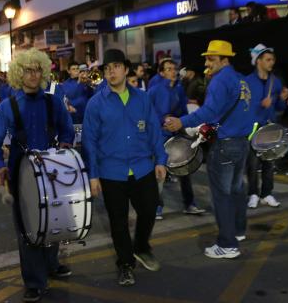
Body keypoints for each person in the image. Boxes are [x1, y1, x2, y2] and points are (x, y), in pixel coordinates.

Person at [0, 48, 74, 302]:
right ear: (18, 73)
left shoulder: (53, 102)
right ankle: (34, 281)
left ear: (44, 71)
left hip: (51, 170)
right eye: (28, 70)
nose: (34, 75)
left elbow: (67, 130)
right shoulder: (8, 106)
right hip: (21, 173)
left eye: (37, 69)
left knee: (54, 220)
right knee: (28, 230)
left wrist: (66, 144)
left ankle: (51, 264)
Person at [82, 48, 167, 286]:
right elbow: (89, 142)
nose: (111, 72)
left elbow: (154, 130)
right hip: (111, 173)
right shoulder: (95, 104)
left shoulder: (142, 98)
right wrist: (93, 175)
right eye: (107, 69)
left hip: (142, 168)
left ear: (126, 69)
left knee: (149, 210)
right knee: (118, 222)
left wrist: (161, 160)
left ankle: (141, 247)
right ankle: (125, 264)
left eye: (116, 67)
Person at [165, 40, 252, 259]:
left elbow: (209, 111)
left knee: (222, 195)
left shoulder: (220, 81)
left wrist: (181, 122)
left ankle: (227, 244)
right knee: (236, 189)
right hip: (242, 142)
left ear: (225, 60)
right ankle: (238, 231)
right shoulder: (241, 79)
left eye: (212, 59)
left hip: (224, 144)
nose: (207, 62)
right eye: (206, 58)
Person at [148, 59, 205, 220]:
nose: (173, 72)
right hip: (160, 135)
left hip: (176, 134)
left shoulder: (179, 89)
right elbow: (147, 113)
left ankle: (189, 204)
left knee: (184, 168)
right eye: (168, 69)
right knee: (160, 172)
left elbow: (182, 111)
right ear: (161, 72)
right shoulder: (154, 90)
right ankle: (156, 207)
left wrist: (181, 122)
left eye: (174, 69)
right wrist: (162, 120)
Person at [245, 44, 288, 209]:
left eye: (273, 59)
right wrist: (260, 104)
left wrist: (283, 99)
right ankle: (253, 194)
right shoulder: (247, 81)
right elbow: (243, 107)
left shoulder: (275, 82)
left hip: (269, 128)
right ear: (258, 61)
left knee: (269, 163)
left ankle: (267, 193)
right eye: (268, 59)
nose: (272, 63)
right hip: (253, 129)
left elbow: (279, 108)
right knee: (253, 164)